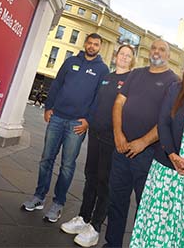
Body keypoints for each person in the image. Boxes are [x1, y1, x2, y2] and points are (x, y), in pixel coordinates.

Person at [130, 46, 184, 247]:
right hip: (166, 169)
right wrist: (173, 156)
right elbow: (163, 122)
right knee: (158, 221)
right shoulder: (176, 89)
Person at [22, 33, 110, 222]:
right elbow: (56, 85)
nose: (92, 46)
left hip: (77, 124)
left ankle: (58, 204)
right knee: (46, 159)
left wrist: (88, 120)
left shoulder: (102, 70)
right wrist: (48, 107)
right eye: (90, 43)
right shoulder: (70, 62)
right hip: (57, 118)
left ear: (99, 47)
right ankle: (38, 197)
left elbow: (99, 98)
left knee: (67, 166)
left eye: (96, 44)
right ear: (85, 43)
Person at [104, 39, 179, 247]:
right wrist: (118, 134)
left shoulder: (174, 82)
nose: (157, 52)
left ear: (168, 55)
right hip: (121, 148)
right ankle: (112, 244)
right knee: (116, 201)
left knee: (144, 206)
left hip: (148, 155)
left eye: (162, 49)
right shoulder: (136, 74)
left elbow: (167, 119)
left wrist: (143, 143)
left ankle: (138, 243)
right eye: (154, 48)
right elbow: (119, 102)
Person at [61, 44, 136, 247]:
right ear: (116, 56)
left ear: (132, 60)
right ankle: (83, 218)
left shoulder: (132, 81)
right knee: (90, 176)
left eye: (128, 56)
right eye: (121, 54)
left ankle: (95, 226)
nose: (123, 57)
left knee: (105, 181)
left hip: (113, 139)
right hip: (95, 134)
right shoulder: (107, 77)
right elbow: (96, 103)